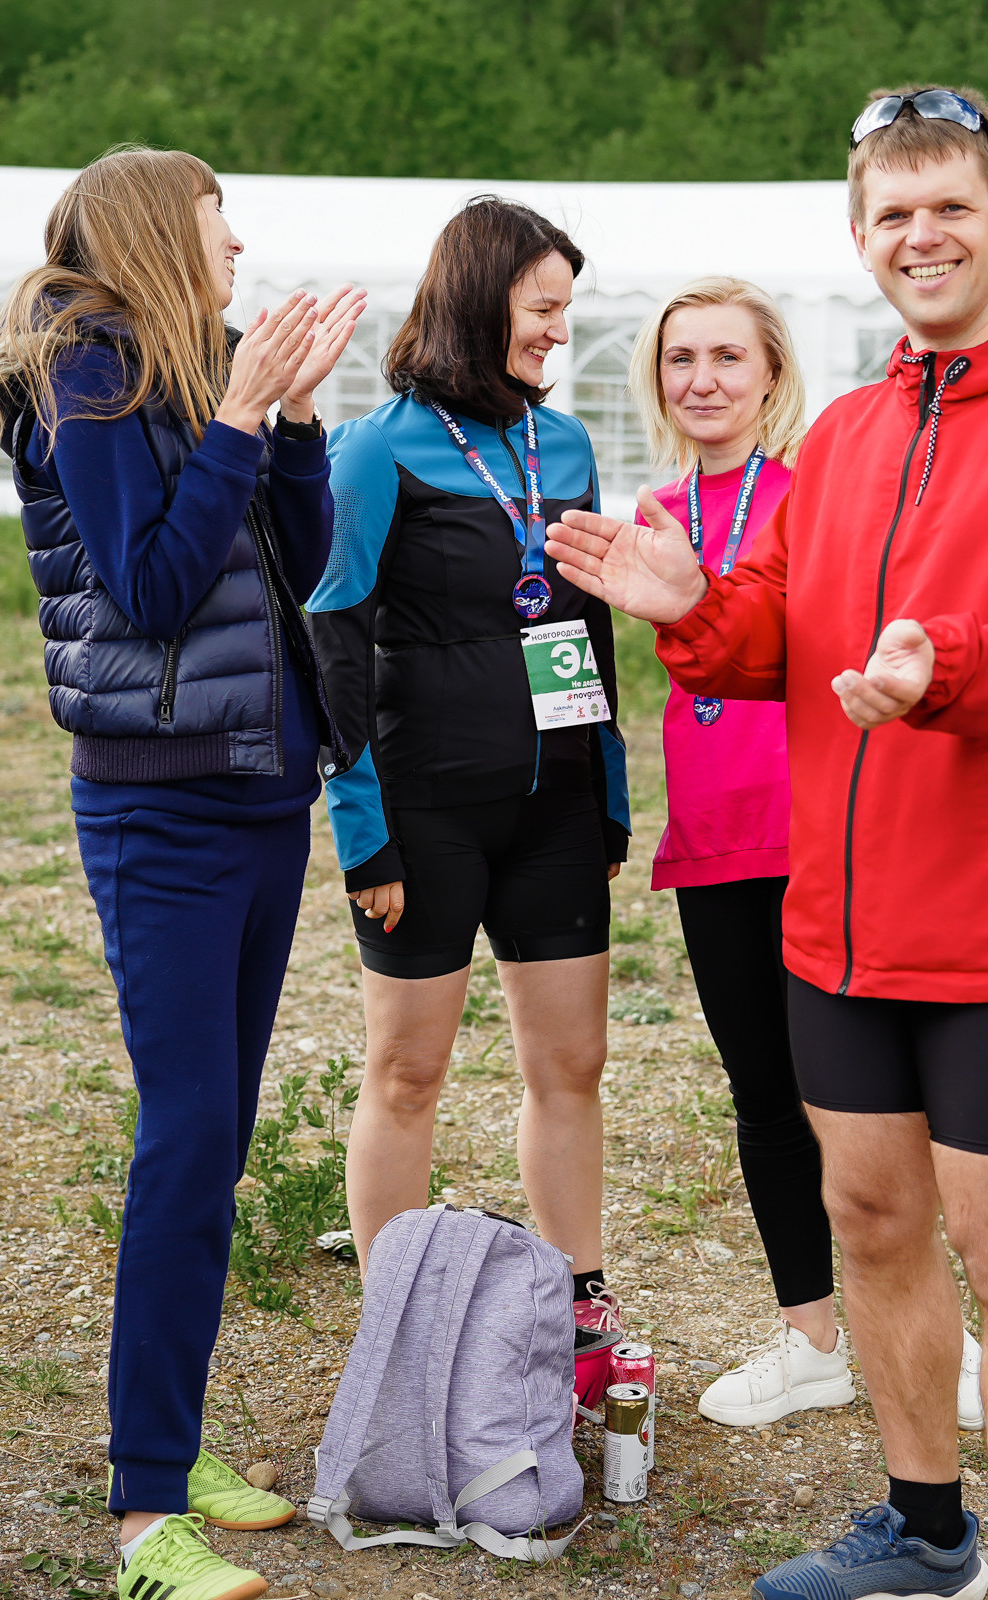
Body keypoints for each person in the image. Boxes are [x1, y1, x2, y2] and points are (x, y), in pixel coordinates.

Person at [548, 86, 988, 1600]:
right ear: (861, 239)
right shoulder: (843, 435)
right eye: (894, 213)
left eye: (950, 205)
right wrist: (691, 607)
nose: (923, 235)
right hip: (839, 918)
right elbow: (772, 627)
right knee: (874, 1220)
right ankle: (925, 1527)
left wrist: (941, 665)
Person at [0, 146, 365, 1600]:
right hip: (161, 811)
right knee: (186, 1136)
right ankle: (142, 1516)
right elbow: (148, 584)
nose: (238, 250)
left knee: (219, 1136)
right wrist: (242, 416)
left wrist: (291, 420)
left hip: (262, 792)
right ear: (149, 236)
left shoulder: (198, 370)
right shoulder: (86, 373)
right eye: (216, 225)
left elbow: (301, 562)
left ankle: (174, 1445)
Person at [624, 278, 988, 1433]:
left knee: (872, 1097)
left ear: (773, 374)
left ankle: (945, 1335)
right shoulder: (652, 512)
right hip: (713, 838)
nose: (703, 380)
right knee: (764, 1096)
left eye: (728, 356)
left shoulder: (819, 493)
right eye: (681, 359)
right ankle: (813, 1341)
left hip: (823, 832)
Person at [309, 198, 630, 1347]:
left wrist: (607, 793)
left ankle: (579, 1300)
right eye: (543, 307)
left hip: (554, 813)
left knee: (573, 1063)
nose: (559, 330)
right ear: (479, 300)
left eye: (565, 308)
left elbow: (589, 628)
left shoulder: (568, 446)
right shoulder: (375, 446)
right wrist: (364, 835)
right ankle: (396, 1323)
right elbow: (335, 642)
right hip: (425, 811)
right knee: (409, 1071)